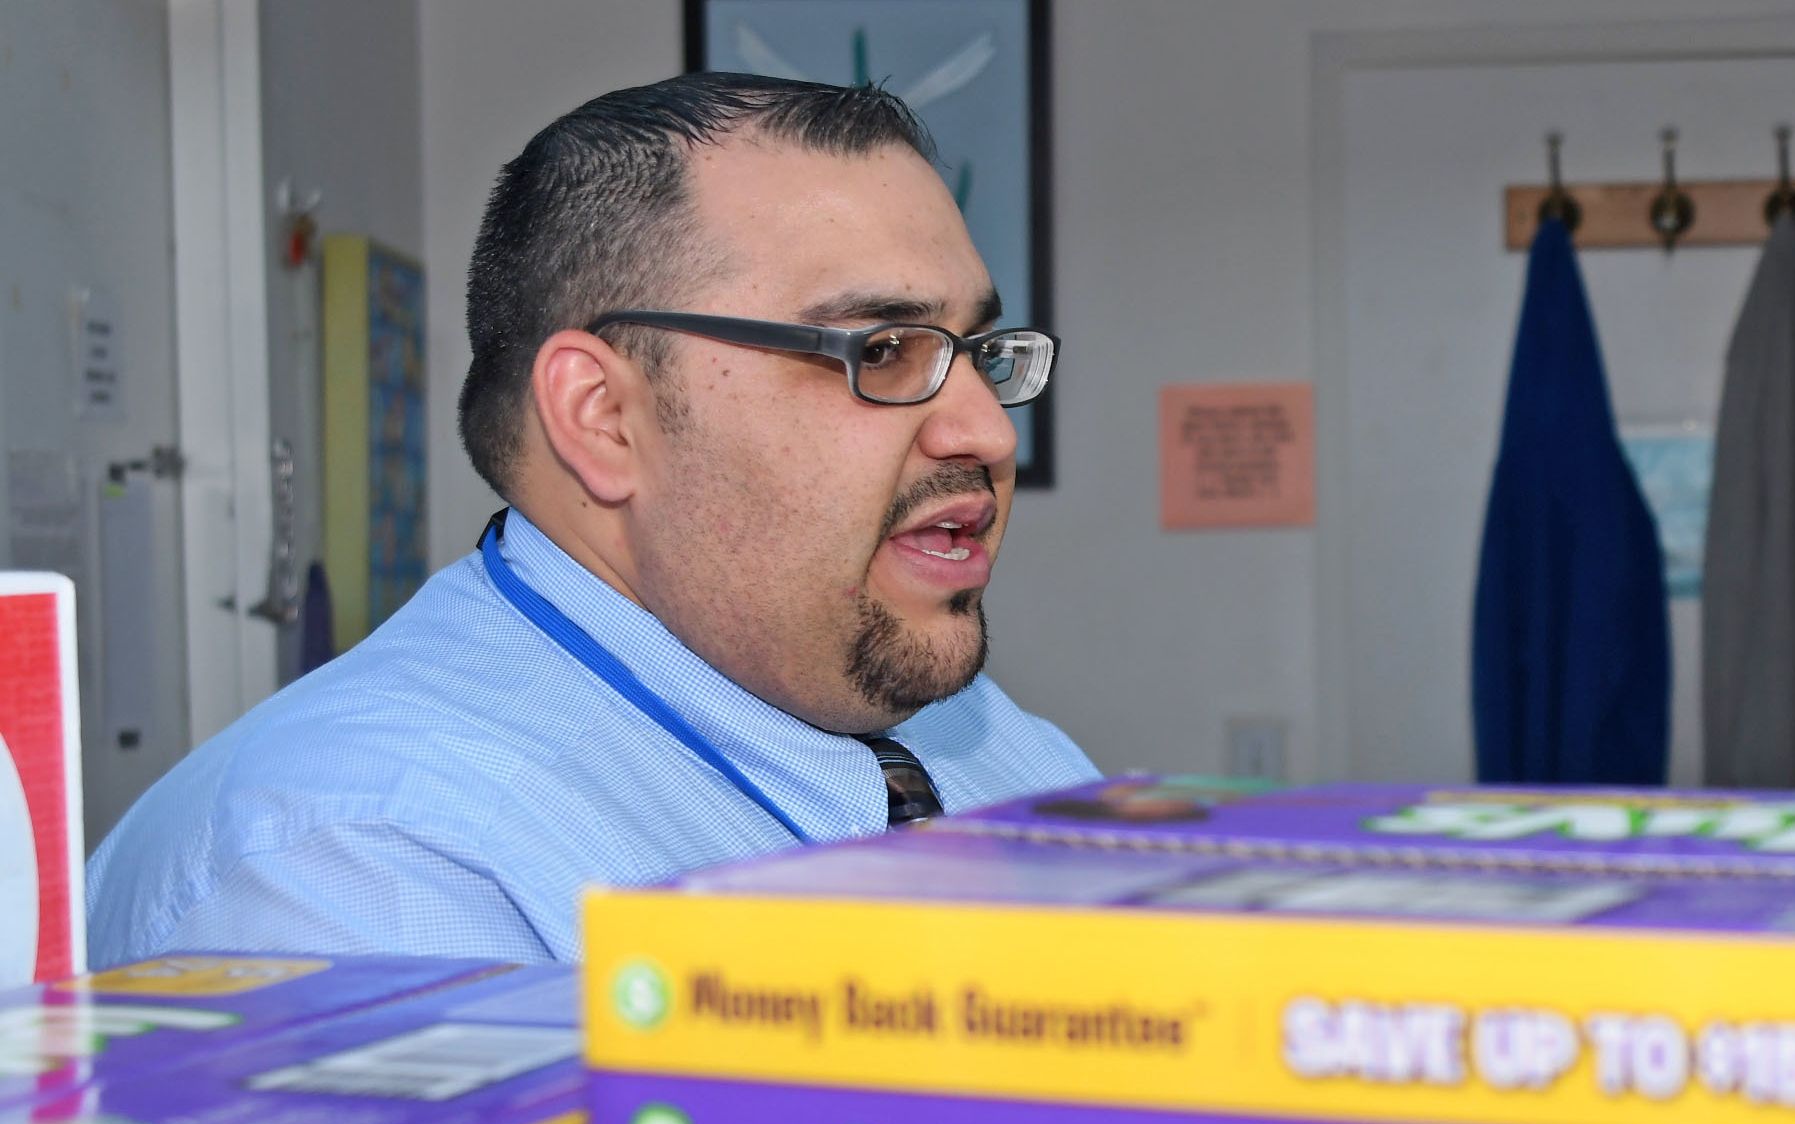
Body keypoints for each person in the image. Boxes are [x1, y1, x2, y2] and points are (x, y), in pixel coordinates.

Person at [86, 74, 1095, 964]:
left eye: (979, 353)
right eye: (882, 351)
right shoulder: (363, 868)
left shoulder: (985, 742)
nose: (986, 432)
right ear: (604, 417)